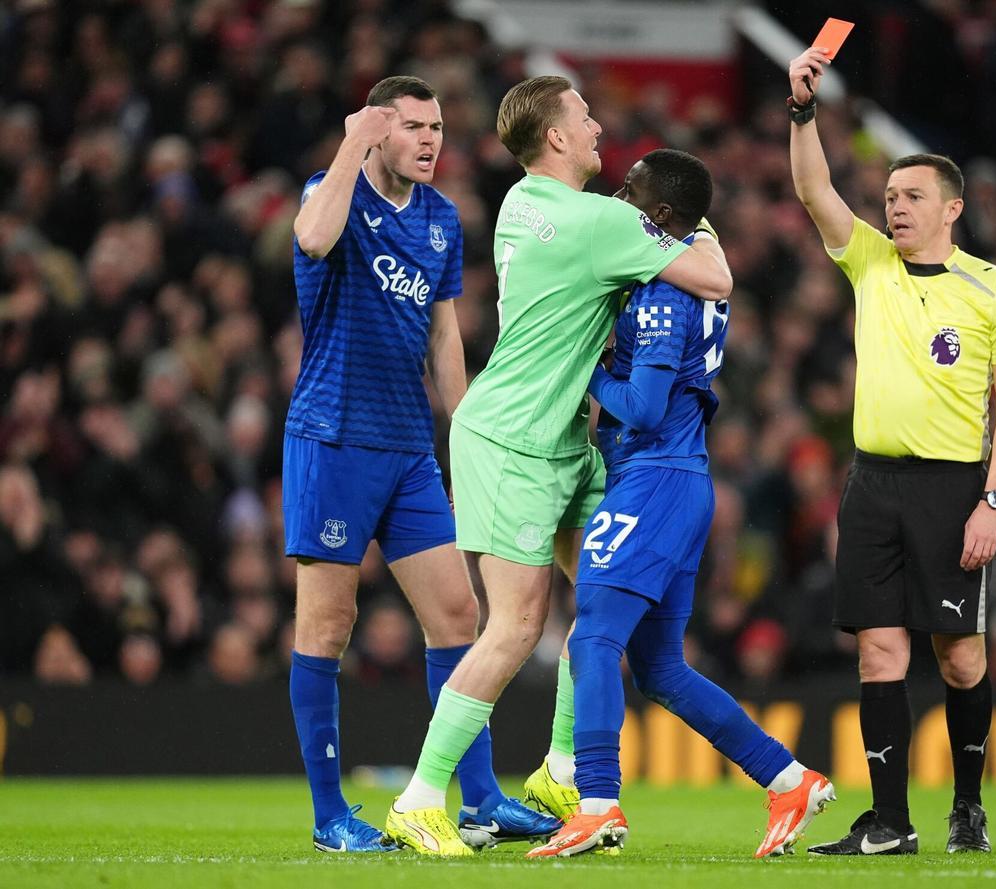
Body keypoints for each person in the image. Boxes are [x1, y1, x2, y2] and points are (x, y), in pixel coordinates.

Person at [385, 76, 733, 856]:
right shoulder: (599, 220)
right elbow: (715, 280)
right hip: (515, 442)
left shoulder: (520, 202)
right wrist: (696, 215)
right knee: (513, 628)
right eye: (584, 117)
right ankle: (416, 798)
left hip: (560, 439)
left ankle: (561, 768)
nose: (599, 126)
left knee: (602, 604)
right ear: (556, 138)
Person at [525, 149, 836, 860]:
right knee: (660, 667)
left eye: (630, 189)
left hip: (656, 477)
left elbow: (642, 403)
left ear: (659, 215)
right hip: (675, 480)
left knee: (594, 633)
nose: (616, 193)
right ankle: (787, 778)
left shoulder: (666, 291)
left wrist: (590, 371)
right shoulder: (678, 263)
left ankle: (597, 801)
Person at [285, 75, 556, 854]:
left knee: (458, 614)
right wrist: (348, 144)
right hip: (332, 437)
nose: (431, 140)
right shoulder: (331, 190)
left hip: (408, 447)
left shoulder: (440, 219)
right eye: (410, 127)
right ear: (377, 132)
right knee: (328, 626)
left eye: (436, 126)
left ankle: (478, 800)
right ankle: (332, 816)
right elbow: (310, 239)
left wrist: (466, 427)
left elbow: (443, 333)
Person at [784, 49, 996, 856]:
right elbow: (814, 189)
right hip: (874, 484)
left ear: (952, 208)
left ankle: (968, 802)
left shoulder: (995, 287)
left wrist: (992, 500)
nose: (895, 208)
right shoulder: (870, 263)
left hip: (953, 487)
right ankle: (889, 820)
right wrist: (802, 113)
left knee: (961, 656)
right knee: (878, 650)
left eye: (912, 196)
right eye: (890, 195)